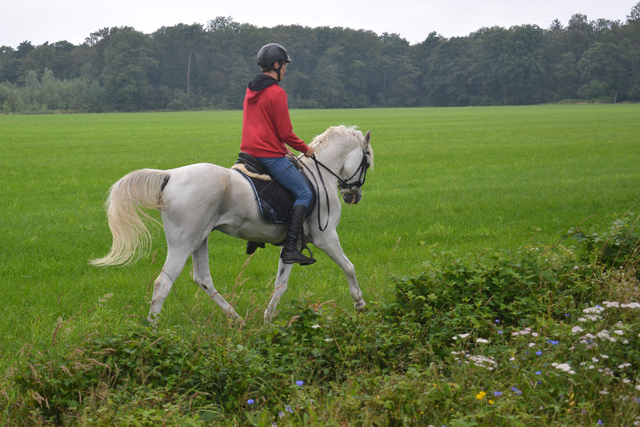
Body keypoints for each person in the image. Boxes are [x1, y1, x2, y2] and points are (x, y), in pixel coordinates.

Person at [240, 43, 315, 265]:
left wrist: (284, 149)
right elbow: (285, 132)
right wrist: (306, 149)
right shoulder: (276, 93)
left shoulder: (251, 89)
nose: (285, 70)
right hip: (268, 155)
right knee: (304, 194)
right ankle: (290, 248)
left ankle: (255, 236)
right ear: (276, 64)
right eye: (284, 66)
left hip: (247, 154)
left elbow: (263, 126)